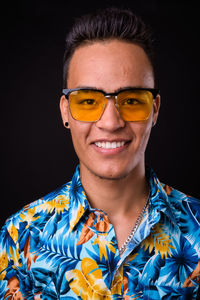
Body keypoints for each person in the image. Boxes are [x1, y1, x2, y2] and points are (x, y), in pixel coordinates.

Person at [0, 7, 200, 299]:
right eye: (88, 101)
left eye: (131, 100)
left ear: (154, 110)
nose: (110, 122)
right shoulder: (19, 237)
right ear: (65, 112)